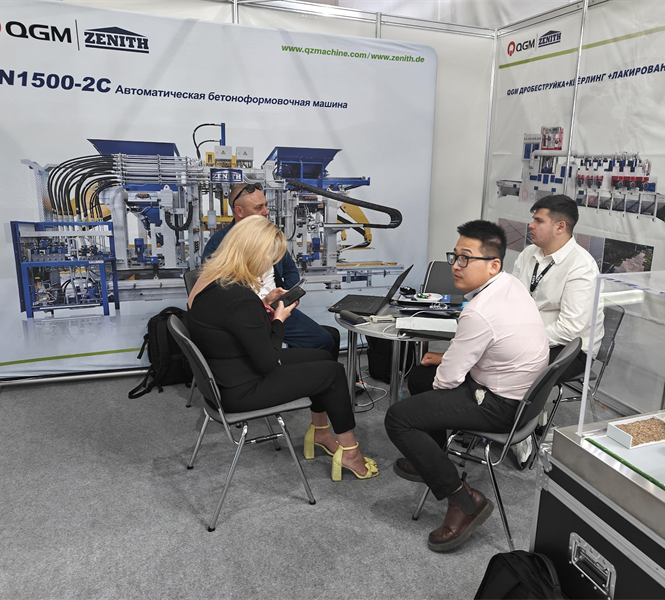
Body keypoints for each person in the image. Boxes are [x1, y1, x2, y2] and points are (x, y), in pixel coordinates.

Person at [385, 220, 548, 552]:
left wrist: (444, 364)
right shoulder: (511, 285)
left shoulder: (479, 311)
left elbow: (447, 381)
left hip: (499, 405)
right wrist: (444, 361)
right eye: (455, 256)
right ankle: (429, 459)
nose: (456, 266)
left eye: (466, 258)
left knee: (398, 418)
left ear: (493, 264)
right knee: (419, 377)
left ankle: (464, 500)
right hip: (523, 398)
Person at [188, 216, 378, 481]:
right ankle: (350, 453)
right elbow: (267, 361)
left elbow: (235, 325)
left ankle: (321, 432)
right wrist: (278, 320)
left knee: (322, 356)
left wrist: (263, 302)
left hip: (226, 374)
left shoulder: (214, 282)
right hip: (241, 389)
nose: (269, 264)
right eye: (269, 257)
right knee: (333, 373)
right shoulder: (240, 298)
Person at [510, 194, 604, 464]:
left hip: (572, 351)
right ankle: (501, 416)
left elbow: (570, 329)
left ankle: (520, 432)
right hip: (531, 337)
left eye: (538, 220)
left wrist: (523, 341)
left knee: (515, 364)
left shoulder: (581, 266)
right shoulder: (529, 254)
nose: (531, 225)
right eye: (533, 219)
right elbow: (512, 298)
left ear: (560, 226)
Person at [202, 182, 340, 360]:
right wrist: (259, 306)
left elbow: (289, 268)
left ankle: (305, 370)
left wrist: (289, 294)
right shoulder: (220, 243)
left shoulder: (268, 236)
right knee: (323, 341)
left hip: (276, 305)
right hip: (248, 315)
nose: (266, 212)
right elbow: (216, 292)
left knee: (330, 337)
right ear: (239, 211)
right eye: (259, 207)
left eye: (266, 205)